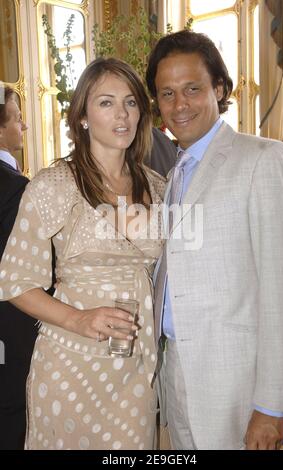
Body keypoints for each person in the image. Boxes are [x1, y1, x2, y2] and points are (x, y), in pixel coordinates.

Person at [0, 58, 166, 450]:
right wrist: (78, 319)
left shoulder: (159, 187)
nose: (121, 114)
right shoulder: (53, 185)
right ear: (84, 116)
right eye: (106, 103)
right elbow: (14, 281)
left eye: (130, 102)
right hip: (70, 364)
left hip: (135, 370)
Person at [146, 30, 283, 450]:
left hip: (241, 388)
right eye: (167, 93)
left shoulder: (264, 159)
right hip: (175, 375)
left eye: (192, 89)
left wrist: (274, 405)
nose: (179, 105)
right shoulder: (173, 173)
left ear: (218, 88)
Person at [0, 86, 38, 450]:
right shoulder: (15, 188)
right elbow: (23, 270)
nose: (23, 125)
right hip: (9, 333)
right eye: (17, 116)